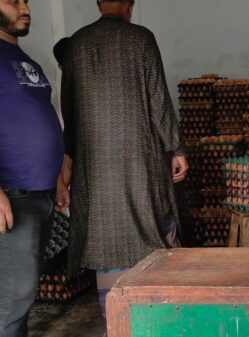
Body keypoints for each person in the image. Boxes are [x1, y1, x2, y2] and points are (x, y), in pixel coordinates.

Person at [57, 0, 188, 313]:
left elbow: (70, 117)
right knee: (152, 229)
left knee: (105, 242)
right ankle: (156, 315)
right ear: (130, 5)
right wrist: (176, 148)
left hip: (95, 172)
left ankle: (114, 318)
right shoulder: (141, 38)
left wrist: (67, 172)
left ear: (99, 3)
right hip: (140, 163)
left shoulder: (76, 44)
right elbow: (159, 101)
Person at [0, 0, 64, 335]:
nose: (24, 7)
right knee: (14, 296)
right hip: (12, 196)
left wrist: (57, 175)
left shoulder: (24, 59)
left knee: (23, 294)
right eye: (13, 0)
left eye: (26, 0)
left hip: (41, 192)